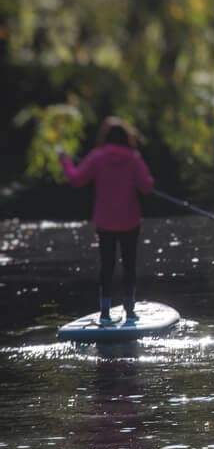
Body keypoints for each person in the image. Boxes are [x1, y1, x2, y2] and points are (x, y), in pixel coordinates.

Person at [59, 117, 154, 322]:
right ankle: (129, 308)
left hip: (105, 221)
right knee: (129, 264)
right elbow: (146, 187)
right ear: (126, 137)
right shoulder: (133, 157)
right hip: (130, 220)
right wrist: (147, 181)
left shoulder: (97, 157)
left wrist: (65, 161)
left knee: (106, 265)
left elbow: (76, 179)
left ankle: (104, 311)